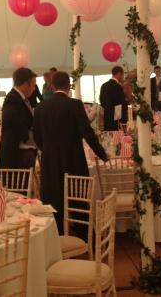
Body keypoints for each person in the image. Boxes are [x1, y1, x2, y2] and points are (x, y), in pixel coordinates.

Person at [33, 71, 107, 234]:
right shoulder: (75, 105)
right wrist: (102, 154)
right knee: (78, 199)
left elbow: (37, 136)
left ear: (52, 86)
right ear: (69, 86)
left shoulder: (40, 107)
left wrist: (48, 150)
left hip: (50, 161)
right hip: (73, 160)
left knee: (52, 201)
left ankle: (55, 238)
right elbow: (87, 133)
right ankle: (84, 238)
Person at [0, 68, 38, 169]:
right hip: (16, 153)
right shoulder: (12, 98)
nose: (34, 89)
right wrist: (28, 137)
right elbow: (14, 122)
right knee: (17, 184)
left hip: (22, 151)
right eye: (33, 85)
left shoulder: (19, 97)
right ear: (25, 84)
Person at [99, 66, 127, 131]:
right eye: (123, 75)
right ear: (119, 74)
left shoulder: (104, 85)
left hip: (107, 116)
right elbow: (121, 103)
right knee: (116, 138)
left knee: (109, 137)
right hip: (116, 118)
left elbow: (101, 101)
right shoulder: (118, 87)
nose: (123, 77)